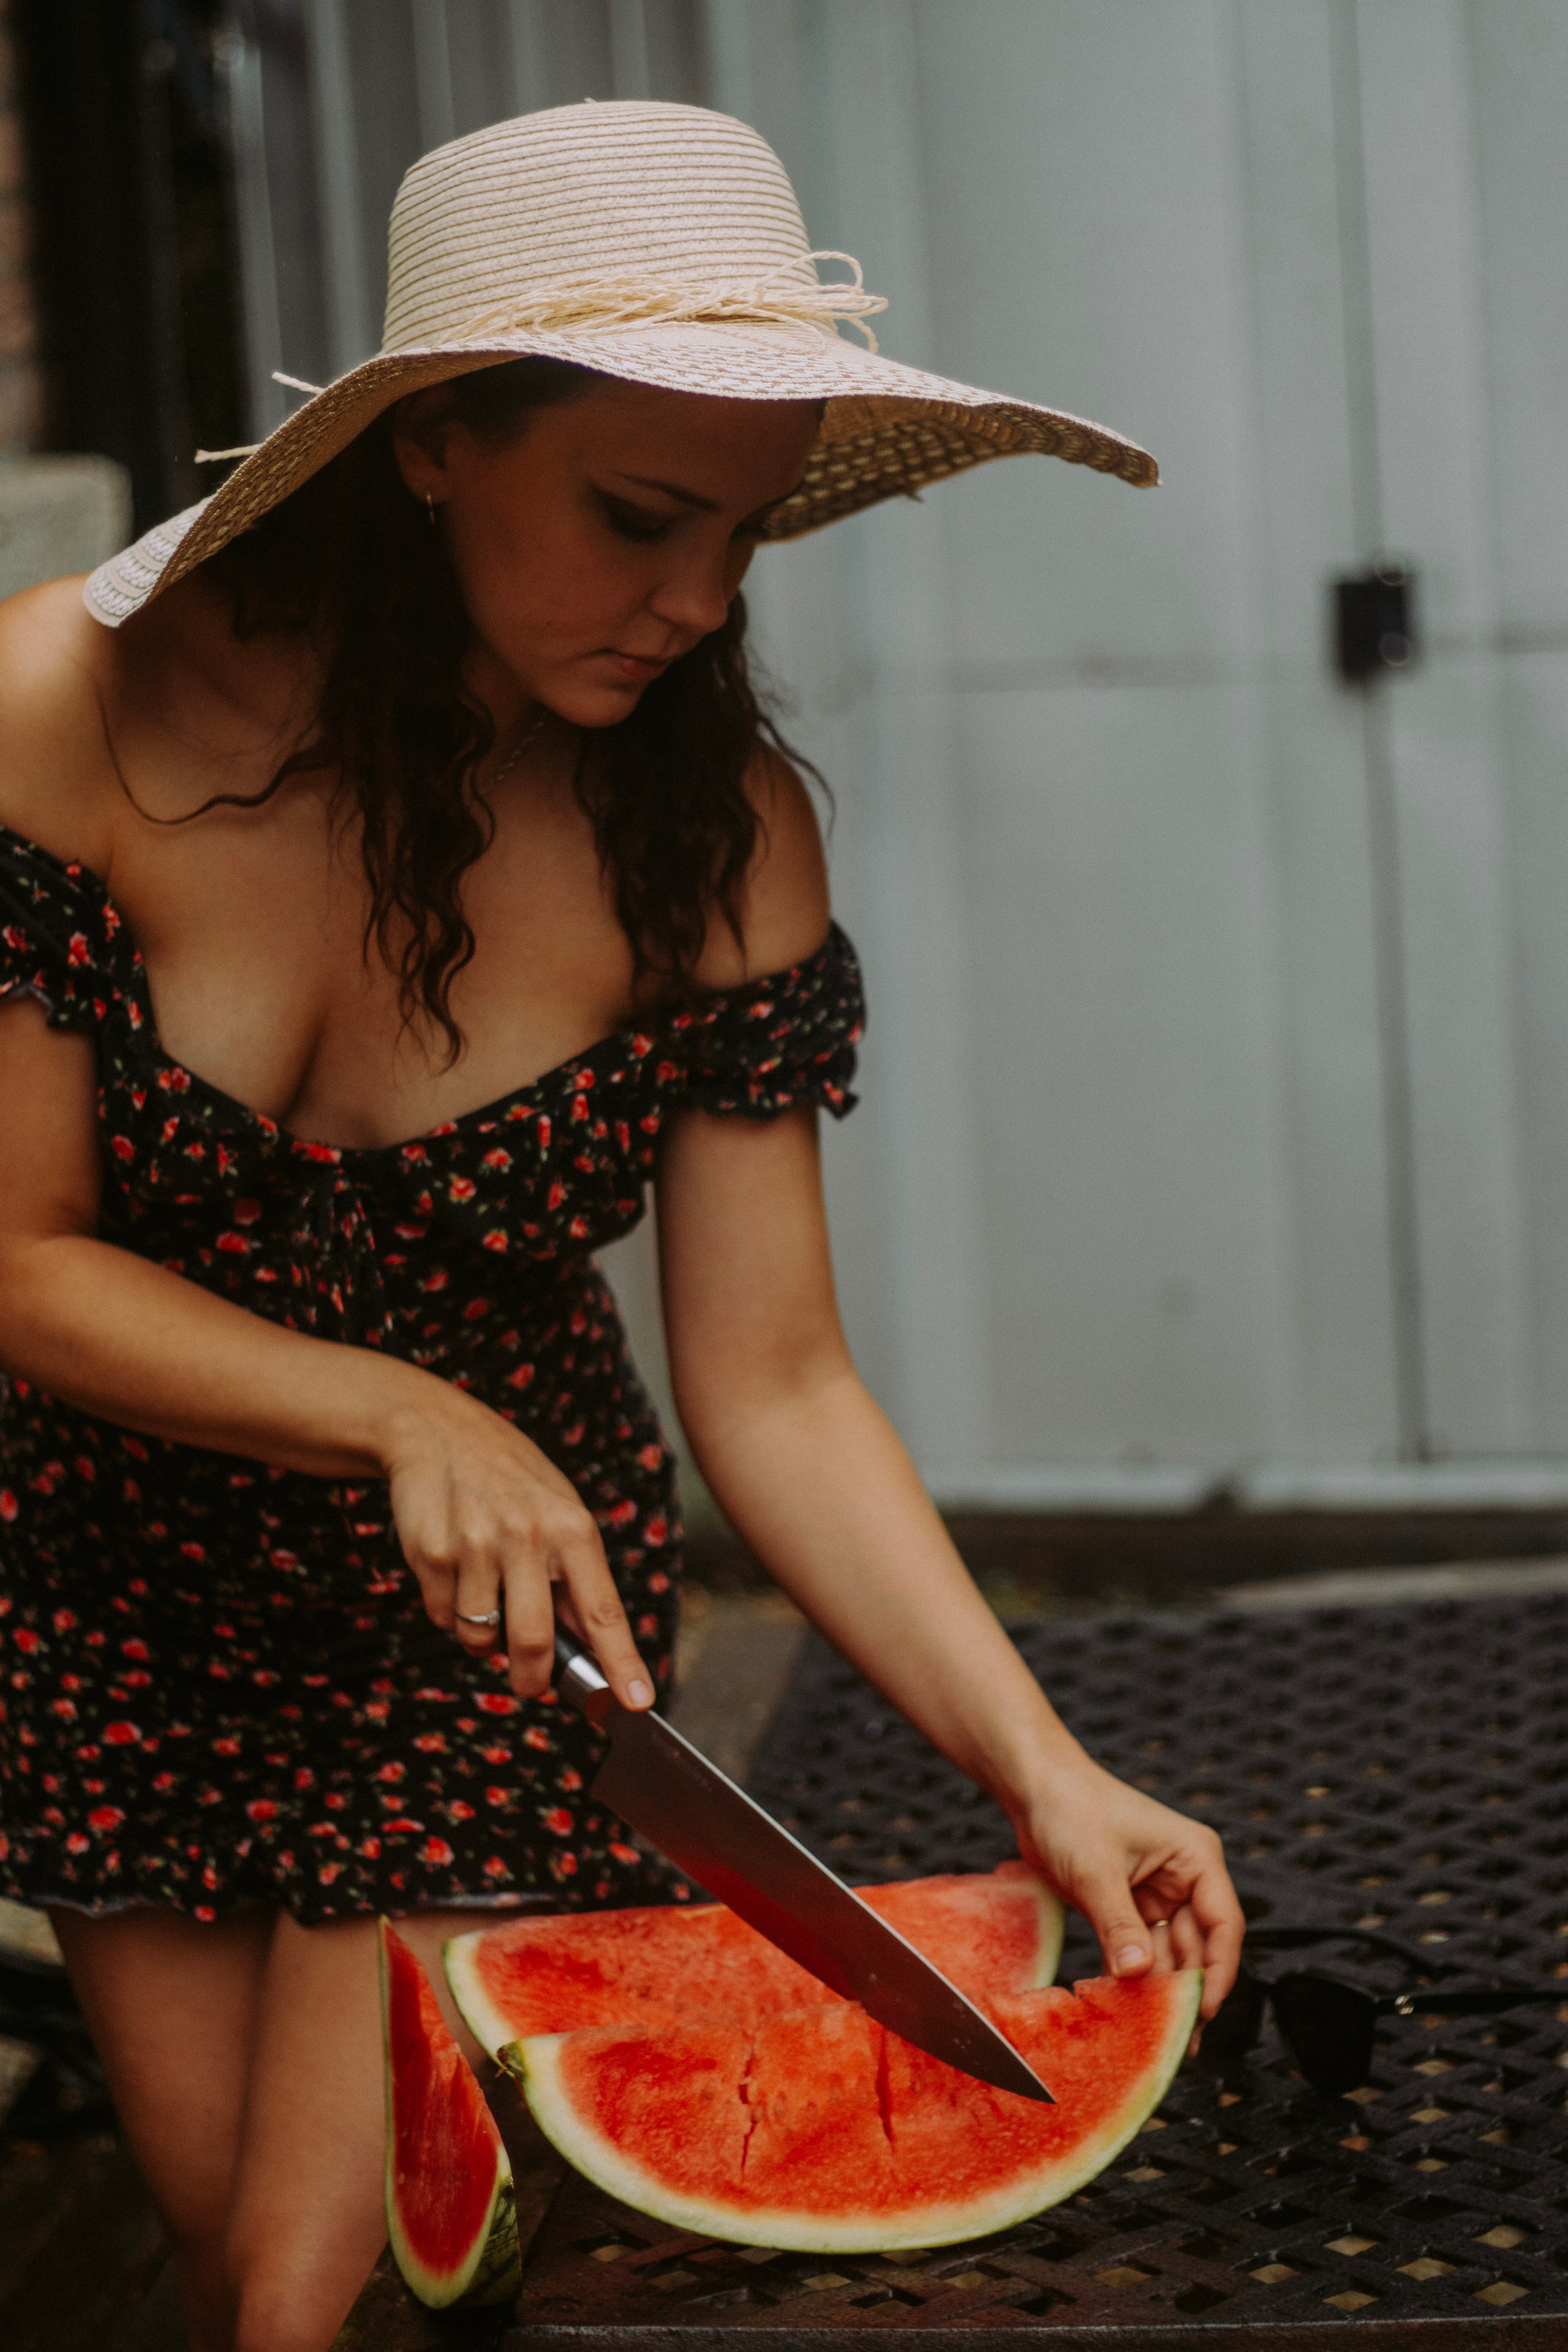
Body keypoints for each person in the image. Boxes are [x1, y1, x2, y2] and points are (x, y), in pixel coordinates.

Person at [0, 101, 1242, 2352]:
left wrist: (1047, 1775)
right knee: (219, 2267)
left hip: (503, 1617)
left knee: (301, 2299)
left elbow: (772, 1381)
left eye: (744, 540)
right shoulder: (58, 722)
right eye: (640, 518)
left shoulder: (721, 836)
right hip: (117, 1591)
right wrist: (384, 1404)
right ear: (430, 450)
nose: (696, 605)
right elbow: (16, 1263)